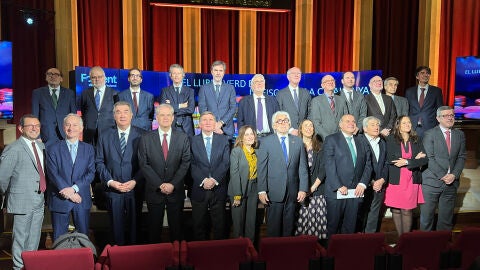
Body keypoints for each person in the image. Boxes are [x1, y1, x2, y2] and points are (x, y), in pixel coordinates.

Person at [138, 104, 191, 243]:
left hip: (176, 191)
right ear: (157, 117)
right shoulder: (146, 138)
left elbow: (185, 163)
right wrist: (159, 184)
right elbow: (144, 164)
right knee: (153, 231)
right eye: (162, 115)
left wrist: (172, 184)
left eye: (168, 115)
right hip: (154, 191)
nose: (165, 118)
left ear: (173, 118)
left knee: (177, 231)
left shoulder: (183, 137)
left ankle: (177, 261)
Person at [0, 115, 46, 270]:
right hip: (22, 201)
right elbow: (2, 178)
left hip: (39, 200)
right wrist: (7, 199)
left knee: (34, 239)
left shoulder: (41, 146)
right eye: (30, 126)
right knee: (20, 239)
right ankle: (18, 268)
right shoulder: (13, 148)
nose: (34, 128)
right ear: (21, 129)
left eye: (37, 125)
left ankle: (30, 266)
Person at [96, 101, 145, 245]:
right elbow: (99, 162)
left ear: (131, 115)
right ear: (114, 115)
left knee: (135, 230)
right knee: (115, 230)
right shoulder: (104, 136)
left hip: (134, 189)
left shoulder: (143, 135)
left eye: (125, 111)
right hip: (113, 190)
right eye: (118, 112)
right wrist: (111, 182)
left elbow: (146, 163)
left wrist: (135, 181)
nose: (122, 115)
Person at [257, 111, 309, 237]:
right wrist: (262, 191)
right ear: (274, 125)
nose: (283, 123)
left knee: (289, 228)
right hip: (273, 193)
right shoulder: (266, 142)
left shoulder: (297, 142)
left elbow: (302, 167)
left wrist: (303, 189)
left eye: (286, 120)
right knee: (273, 230)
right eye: (279, 121)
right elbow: (262, 168)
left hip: (292, 193)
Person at [46, 113, 96, 241]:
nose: (71, 128)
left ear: (81, 128)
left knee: (83, 238)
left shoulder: (89, 149)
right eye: (68, 124)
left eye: (75, 125)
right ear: (63, 127)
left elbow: (91, 172)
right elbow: (52, 173)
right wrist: (69, 193)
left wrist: (74, 189)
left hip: (81, 199)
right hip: (60, 198)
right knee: (59, 239)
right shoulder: (52, 148)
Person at [323, 114, 372, 237]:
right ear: (340, 125)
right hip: (336, 192)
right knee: (333, 227)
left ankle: (347, 255)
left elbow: (368, 164)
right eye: (348, 121)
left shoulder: (361, 140)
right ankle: (331, 255)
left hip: (356, 192)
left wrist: (362, 183)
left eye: (354, 121)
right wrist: (338, 185)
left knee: (350, 228)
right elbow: (329, 165)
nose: (352, 123)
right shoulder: (331, 139)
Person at [420, 106, 466, 231]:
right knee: (426, 220)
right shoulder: (429, 134)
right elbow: (429, 157)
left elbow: (461, 157)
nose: (450, 118)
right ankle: (424, 248)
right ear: (438, 118)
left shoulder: (459, 134)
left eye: (451, 115)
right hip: (432, 183)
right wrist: (444, 175)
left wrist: (454, 175)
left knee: (446, 221)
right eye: (446, 115)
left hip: (451, 183)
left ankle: (443, 247)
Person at [384, 115, 428, 236]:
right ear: (398, 125)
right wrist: (415, 159)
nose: (408, 124)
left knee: (407, 210)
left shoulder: (416, 139)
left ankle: (406, 239)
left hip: (412, 178)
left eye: (409, 122)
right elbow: (390, 159)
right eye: (404, 123)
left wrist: (408, 161)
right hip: (396, 179)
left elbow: (425, 160)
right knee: (396, 210)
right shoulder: (391, 139)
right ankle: (400, 239)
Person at [190, 111, 230, 240]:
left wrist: (213, 179)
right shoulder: (191, 140)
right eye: (205, 120)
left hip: (218, 188)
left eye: (211, 120)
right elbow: (191, 163)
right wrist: (204, 180)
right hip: (199, 188)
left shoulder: (224, 140)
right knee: (199, 225)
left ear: (215, 123)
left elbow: (225, 162)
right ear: (199, 124)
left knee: (220, 226)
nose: (208, 122)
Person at [294, 119, 327, 241]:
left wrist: (313, 187)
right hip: (299, 191)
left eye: (311, 126)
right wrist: (303, 188)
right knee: (300, 228)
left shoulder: (320, 146)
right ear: (301, 129)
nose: (309, 128)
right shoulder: (295, 145)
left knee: (316, 229)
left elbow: (324, 169)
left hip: (317, 191)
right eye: (306, 126)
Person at [356, 116, 388, 233]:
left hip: (379, 185)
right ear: (365, 128)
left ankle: (370, 242)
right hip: (364, 185)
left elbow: (386, 162)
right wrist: (371, 181)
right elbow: (359, 165)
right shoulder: (358, 141)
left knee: (374, 216)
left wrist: (382, 180)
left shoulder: (383, 142)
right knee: (361, 215)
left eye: (378, 125)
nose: (376, 127)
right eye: (373, 125)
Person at [228, 125, 259, 242]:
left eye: (252, 134)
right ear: (241, 137)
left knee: (251, 222)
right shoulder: (236, 151)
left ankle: (250, 251)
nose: (250, 136)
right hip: (238, 188)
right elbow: (234, 174)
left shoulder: (257, 151)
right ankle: (239, 252)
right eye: (247, 134)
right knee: (238, 224)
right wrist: (237, 195)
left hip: (253, 189)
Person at [31, 68, 77, 147]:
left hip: (65, 134)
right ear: (46, 77)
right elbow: (34, 116)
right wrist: (37, 136)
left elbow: (73, 115)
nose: (53, 76)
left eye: (56, 74)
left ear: (61, 78)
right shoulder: (37, 93)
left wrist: (73, 134)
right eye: (50, 74)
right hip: (45, 135)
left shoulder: (69, 93)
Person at [81, 66, 118, 146]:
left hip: (108, 130)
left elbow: (117, 113)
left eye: (99, 77)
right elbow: (84, 111)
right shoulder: (85, 93)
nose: (97, 79)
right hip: (89, 131)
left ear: (105, 78)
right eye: (94, 77)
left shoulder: (114, 94)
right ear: (90, 79)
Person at [198, 60, 236, 138]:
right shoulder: (204, 88)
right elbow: (203, 109)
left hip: (226, 130)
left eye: (220, 70)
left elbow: (233, 108)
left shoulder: (230, 88)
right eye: (216, 70)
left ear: (223, 72)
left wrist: (221, 123)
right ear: (212, 72)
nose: (218, 73)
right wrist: (214, 125)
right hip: (210, 129)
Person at [405, 66, 444, 137]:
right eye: (422, 73)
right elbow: (406, 110)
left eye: (428, 73)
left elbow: (440, 110)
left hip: (430, 127)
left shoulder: (436, 91)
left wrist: (438, 126)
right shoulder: (409, 91)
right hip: (412, 127)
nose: (425, 75)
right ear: (417, 76)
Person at [309, 74, 348, 141]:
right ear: (322, 85)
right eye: (327, 81)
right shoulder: (316, 101)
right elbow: (316, 122)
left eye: (332, 80)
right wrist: (328, 138)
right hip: (324, 139)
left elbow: (346, 118)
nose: (330, 82)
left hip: (341, 138)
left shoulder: (341, 100)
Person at [159, 64, 195, 136]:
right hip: (171, 126)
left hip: (187, 128)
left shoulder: (190, 91)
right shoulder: (165, 91)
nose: (176, 76)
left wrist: (171, 105)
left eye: (179, 73)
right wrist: (181, 105)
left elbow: (191, 110)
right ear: (170, 75)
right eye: (174, 73)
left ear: (183, 75)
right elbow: (164, 109)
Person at [276, 67, 312, 135]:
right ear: (288, 77)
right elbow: (278, 114)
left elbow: (310, 112)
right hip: (287, 132)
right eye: (293, 73)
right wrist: (290, 129)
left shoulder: (306, 93)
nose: (296, 75)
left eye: (298, 73)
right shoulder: (280, 94)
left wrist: (305, 127)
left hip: (304, 132)